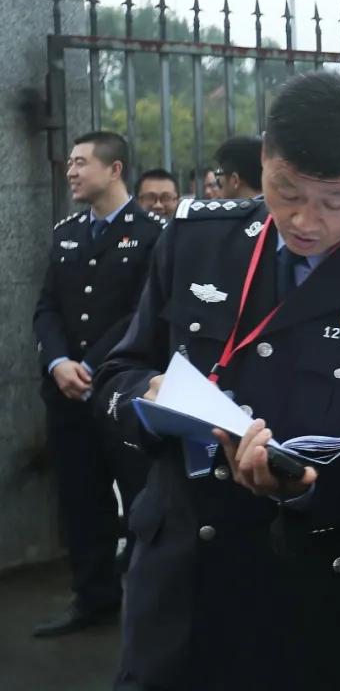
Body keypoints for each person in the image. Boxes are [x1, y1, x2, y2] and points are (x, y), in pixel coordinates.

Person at [94, 72, 340, 690]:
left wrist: (305, 487)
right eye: (285, 189)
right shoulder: (197, 240)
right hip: (177, 575)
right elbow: (119, 371)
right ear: (263, 157)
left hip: (303, 586)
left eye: (334, 201)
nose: (304, 218)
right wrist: (142, 398)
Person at [31, 131, 165, 637]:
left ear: (115, 170)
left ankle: (154, 599)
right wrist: (58, 362)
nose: (71, 171)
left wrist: (91, 364)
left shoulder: (154, 233)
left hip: (120, 390)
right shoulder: (66, 232)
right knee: (81, 499)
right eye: (69, 162)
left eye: (81, 162)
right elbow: (47, 306)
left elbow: (145, 312)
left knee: (141, 496)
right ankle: (93, 597)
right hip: (67, 391)